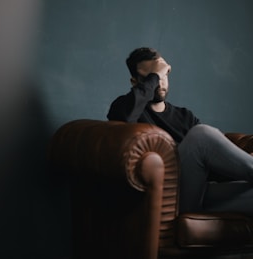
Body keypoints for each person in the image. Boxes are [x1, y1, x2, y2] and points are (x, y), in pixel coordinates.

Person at [107, 47, 253, 216]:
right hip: (169, 198)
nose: (160, 82)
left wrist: (243, 160)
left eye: (164, 75)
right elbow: (123, 119)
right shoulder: (124, 108)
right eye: (152, 77)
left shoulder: (185, 116)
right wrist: (155, 75)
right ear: (135, 82)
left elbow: (212, 166)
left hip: (198, 194)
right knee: (201, 134)